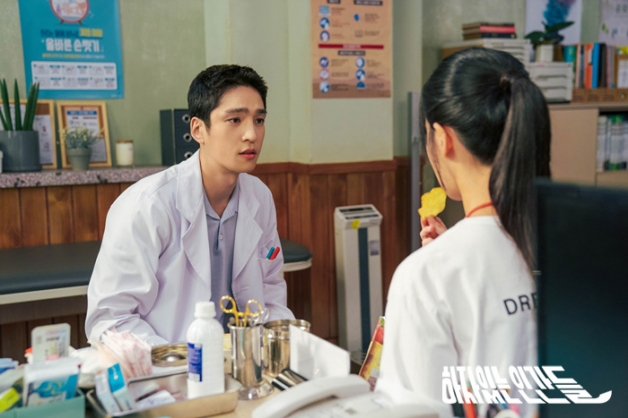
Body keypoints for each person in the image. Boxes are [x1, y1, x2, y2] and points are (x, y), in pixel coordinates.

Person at [376, 48, 551, 418]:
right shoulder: (581, 244)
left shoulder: (424, 275)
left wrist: (448, 264)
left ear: (443, 139)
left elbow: (414, 412)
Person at [85, 65, 294, 346]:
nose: (251, 134)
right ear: (198, 130)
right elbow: (111, 320)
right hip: (167, 363)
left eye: (259, 120)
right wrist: (179, 362)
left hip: (244, 359)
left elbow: (270, 292)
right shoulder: (148, 205)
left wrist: (275, 348)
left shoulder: (259, 197)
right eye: (235, 120)